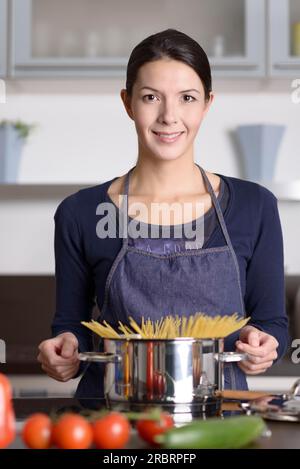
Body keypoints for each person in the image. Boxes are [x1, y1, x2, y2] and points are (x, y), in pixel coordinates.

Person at [37, 29, 289, 398]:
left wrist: (264, 343)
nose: (169, 116)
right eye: (151, 97)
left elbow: (273, 323)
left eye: (187, 98)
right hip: (114, 421)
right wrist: (63, 348)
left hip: (220, 419)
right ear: (128, 103)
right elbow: (70, 325)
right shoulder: (80, 213)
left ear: (207, 103)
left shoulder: (256, 206)